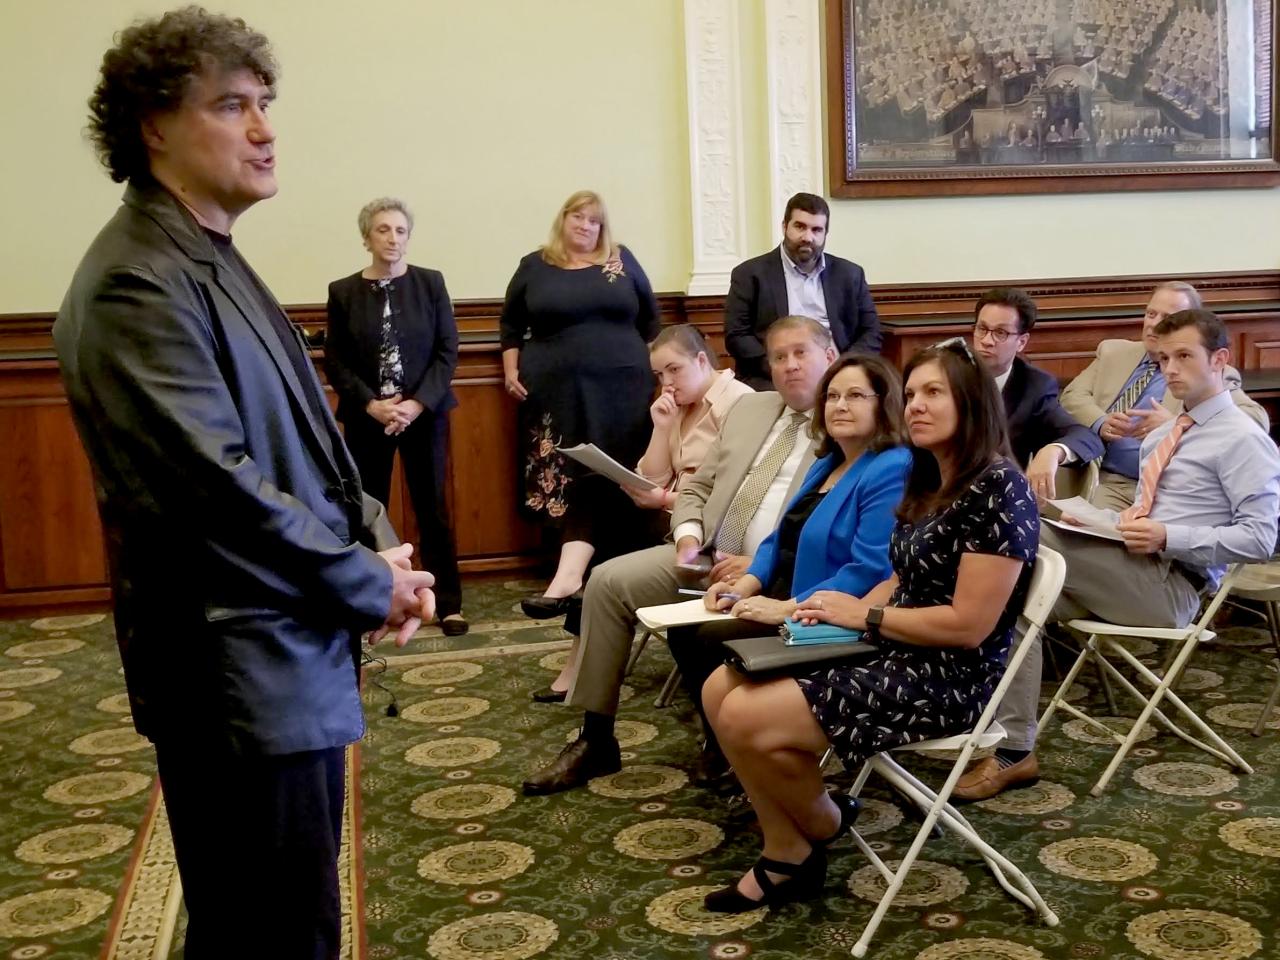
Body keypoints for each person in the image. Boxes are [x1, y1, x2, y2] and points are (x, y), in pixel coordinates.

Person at [52, 8, 435, 958]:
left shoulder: (207, 253)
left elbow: (303, 446)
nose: (265, 129)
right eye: (232, 105)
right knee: (269, 933)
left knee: (280, 920)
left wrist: (375, 539)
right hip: (234, 673)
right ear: (154, 125)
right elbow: (215, 492)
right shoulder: (136, 281)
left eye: (265, 103)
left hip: (278, 653)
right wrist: (364, 582)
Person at [695, 338, 1038, 912]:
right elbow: (898, 576)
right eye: (911, 394)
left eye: (934, 392)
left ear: (972, 403)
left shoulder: (998, 488)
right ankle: (786, 849)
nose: (917, 406)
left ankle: (825, 825)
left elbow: (968, 627)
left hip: (949, 676)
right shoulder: (931, 478)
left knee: (748, 715)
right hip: (891, 643)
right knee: (717, 689)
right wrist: (829, 608)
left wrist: (867, 615)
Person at [955, 308, 1280, 802]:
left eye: (1185, 357)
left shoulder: (1241, 438)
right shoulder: (1169, 430)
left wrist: (1168, 536)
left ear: (1220, 359)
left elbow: (1262, 538)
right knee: (1009, 598)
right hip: (1132, 567)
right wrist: (1101, 523)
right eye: (1164, 358)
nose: (1170, 370)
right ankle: (1012, 748)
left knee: (1015, 535)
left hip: (1175, 587)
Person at [521, 317, 837, 795]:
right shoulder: (752, 410)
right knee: (607, 582)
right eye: (778, 357)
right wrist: (689, 538)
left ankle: (723, 739)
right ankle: (596, 738)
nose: (789, 366)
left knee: (697, 631)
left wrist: (759, 563)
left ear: (829, 356)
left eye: (801, 353)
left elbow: (832, 521)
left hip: (776, 570)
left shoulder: (845, 421)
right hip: (707, 552)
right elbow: (699, 487)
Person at [667, 354, 911, 779]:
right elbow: (779, 537)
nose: (839, 405)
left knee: (707, 639)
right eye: (832, 395)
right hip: (788, 592)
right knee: (686, 632)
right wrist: (745, 584)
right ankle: (727, 745)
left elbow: (868, 570)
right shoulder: (828, 461)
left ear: (884, 404)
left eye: (855, 395)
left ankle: (744, 746)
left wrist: (784, 607)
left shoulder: (892, 466)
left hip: (829, 614)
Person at [532, 323, 752, 702]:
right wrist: (661, 426)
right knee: (594, 485)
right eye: (659, 374)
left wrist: (664, 500)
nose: (667, 383)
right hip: (673, 514)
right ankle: (568, 584)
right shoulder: (680, 405)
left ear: (701, 359)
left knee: (609, 543)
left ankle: (571, 605)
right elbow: (653, 475)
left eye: (674, 370)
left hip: (705, 527)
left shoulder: (739, 403)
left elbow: (733, 490)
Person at [500, 190, 661, 618]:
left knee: (614, 468)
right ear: (563, 220)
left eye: (594, 220)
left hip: (623, 389)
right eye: (578, 217)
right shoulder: (535, 265)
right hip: (555, 392)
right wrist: (509, 368)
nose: (586, 226)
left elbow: (651, 320)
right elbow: (511, 323)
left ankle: (607, 565)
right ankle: (570, 567)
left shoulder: (621, 260)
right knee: (565, 469)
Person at [325, 197, 467, 636]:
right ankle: (373, 601)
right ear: (367, 236)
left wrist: (416, 403)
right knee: (367, 508)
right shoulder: (343, 291)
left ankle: (448, 604)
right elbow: (336, 359)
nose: (392, 238)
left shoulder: (430, 283)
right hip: (369, 416)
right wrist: (371, 404)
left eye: (400, 230)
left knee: (433, 508)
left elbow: (447, 351)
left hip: (423, 414)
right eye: (383, 230)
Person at [1060, 282, 1267, 510]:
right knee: (1069, 531)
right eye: (1151, 314)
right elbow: (1072, 395)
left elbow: (1255, 420)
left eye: (1167, 318)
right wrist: (1101, 422)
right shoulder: (1113, 352)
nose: (1153, 324)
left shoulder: (1210, 373)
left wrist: (1175, 425)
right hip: (1108, 479)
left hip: (1167, 488)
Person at [724, 193, 881, 390]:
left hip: (838, 377)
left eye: (816, 230)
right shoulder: (749, 274)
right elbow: (736, 336)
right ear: (784, 226)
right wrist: (780, 366)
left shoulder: (849, 275)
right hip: (773, 379)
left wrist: (843, 368)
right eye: (800, 227)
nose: (807, 237)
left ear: (825, 233)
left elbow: (871, 332)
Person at [968, 287, 1102, 499]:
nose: (986, 340)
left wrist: (1053, 451)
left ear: (1021, 342)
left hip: (995, 502)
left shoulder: (1034, 387)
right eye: (982, 329)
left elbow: (1086, 437)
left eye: (1000, 333)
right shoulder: (946, 374)